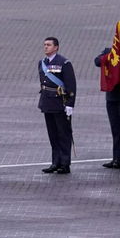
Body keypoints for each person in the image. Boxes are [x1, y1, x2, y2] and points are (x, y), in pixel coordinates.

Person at [38, 37, 76, 174]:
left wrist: (70, 104)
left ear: (56, 47)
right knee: (53, 135)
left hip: (60, 103)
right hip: (47, 102)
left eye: (48, 45)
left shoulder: (64, 63)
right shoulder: (42, 63)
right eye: (44, 45)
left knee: (63, 134)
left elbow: (71, 85)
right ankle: (55, 162)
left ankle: (65, 163)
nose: (45, 47)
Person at [95, 45, 120, 169]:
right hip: (111, 95)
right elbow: (97, 61)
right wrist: (109, 55)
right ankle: (116, 157)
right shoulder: (109, 51)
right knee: (116, 129)